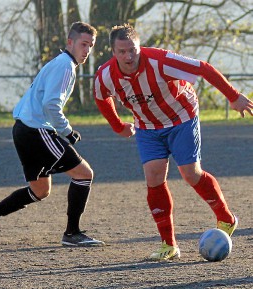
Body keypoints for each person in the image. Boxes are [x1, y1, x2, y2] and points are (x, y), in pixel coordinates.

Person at [93, 23, 253, 261]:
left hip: (182, 118)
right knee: (154, 178)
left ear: (139, 46)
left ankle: (226, 218)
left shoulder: (160, 60)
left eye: (132, 50)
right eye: (122, 51)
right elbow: (101, 98)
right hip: (147, 127)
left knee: (190, 174)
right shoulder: (105, 76)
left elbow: (203, 68)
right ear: (113, 52)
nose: (128, 56)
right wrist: (118, 126)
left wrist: (233, 96)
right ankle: (168, 245)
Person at [0, 21, 105, 247]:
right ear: (70, 42)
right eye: (83, 44)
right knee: (84, 174)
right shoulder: (65, 66)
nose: (87, 50)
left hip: (23, 129)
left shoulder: (59, 63)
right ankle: (72, 234)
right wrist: (67, 131)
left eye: (90, 46)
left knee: (40, 190)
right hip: (36, 130)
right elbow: (51, 105)